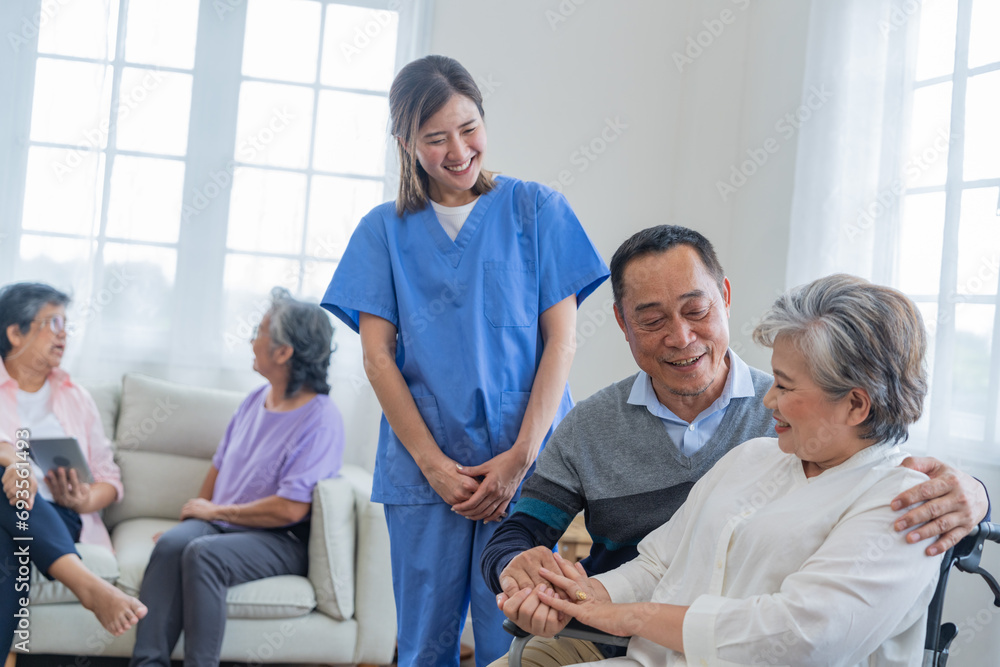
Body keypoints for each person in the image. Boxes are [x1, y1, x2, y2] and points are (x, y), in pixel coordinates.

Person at [482, 226, 990, 666]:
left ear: (724, 296)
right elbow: (651, 561)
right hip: (614, 641)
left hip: (634, 633)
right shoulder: (752, 452)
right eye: (653, 320)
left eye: (696, 310)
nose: (681, 338)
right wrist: (559, 589)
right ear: (623, 322)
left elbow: (805, 636)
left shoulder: (886, 486)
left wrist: (977, 493)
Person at [321, 55, 609, 667]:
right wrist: (433, 466)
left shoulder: (536, 210)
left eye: (469, 127)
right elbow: (377, 359)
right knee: (425, 640)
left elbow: (562, 341)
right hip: (427, 471)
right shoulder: (383, 231)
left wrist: (520, 459)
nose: (459, 150)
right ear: (405, 142)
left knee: (515, 635)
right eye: (435, 138)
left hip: (527, 463)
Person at [129, 288, 344, 667]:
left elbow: (291, 508)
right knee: (171, 545)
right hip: (223, 523)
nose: (251, 340)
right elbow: (219, 466)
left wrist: (213, 514)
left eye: (260, 331)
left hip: (279, 537)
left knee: (203, 555)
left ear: (284, 352)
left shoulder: (321, 418)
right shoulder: (254, 399)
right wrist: (197, 517)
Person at [0, 282, 147, 656]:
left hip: (60, 517)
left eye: (66, 324)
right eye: (52, 323)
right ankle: (87, 586)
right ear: (15, 332)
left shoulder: (76, 398)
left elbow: (109, 478)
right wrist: (13, 461)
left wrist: (84, 499)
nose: (63, 334)